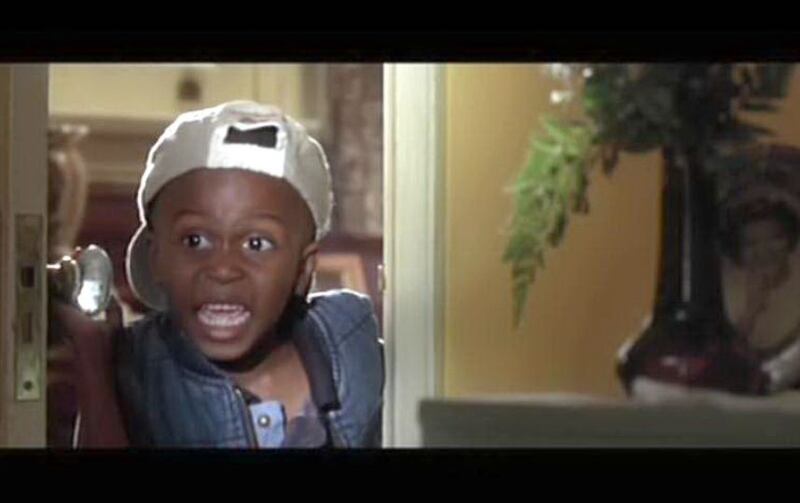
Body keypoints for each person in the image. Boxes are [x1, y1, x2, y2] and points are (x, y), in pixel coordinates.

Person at [59, 101, 384, 447]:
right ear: (156, 258)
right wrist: (95, 366)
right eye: (195, 240)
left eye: (257, 244)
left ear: (303, 271)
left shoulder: (356, 351)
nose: (223, 269)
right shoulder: (137, 370)